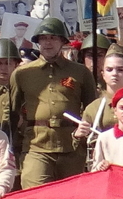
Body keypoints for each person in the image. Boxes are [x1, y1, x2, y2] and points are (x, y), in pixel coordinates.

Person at [11, 17, 98, 188]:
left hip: (71, 145)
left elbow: (91, 109)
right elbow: (13, 112)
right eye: (43, 38)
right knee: (34, 195)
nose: (48, 43)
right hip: (36, 145)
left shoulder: (80, 72)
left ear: (63, 42)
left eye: (53, 38)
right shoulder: (22, 73)